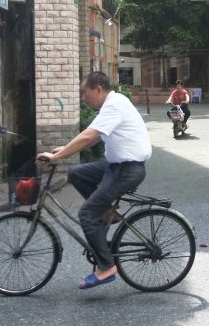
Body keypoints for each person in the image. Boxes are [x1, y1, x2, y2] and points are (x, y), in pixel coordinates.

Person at [37, 72, 152, 290]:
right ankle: (107, 212)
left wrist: (56, 157)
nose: (83, 98)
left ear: (98, 89)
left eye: (85, 93)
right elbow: (93, 137)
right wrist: (64, 150)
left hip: (127, 170)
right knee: (76, 173)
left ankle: (106, 267)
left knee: (86, 213)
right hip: (116, 166)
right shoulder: (112, 104)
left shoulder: (114, 105)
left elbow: (89, 136)